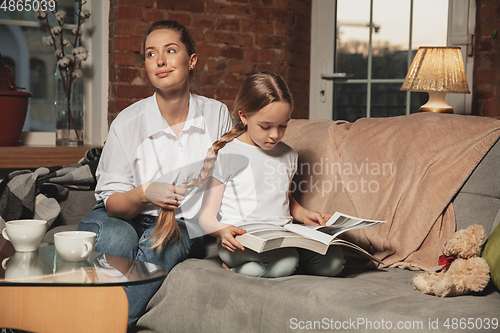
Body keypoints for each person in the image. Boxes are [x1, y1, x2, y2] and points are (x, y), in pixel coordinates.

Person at [77, 20, 232, 326]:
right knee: (117, 237)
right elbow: (112, 203)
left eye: (170, 50)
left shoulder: (216, 115)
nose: (160, 60)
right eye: (150, 54)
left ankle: (92, 325)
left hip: (180, 223)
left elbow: (232, 183)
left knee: (162, 242)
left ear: (192, 60)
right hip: (119, 214)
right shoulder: (127, 122)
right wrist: (145, 192)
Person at [197, 71, 345, 278]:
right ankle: (234, 270)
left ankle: (282, 265)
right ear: (244, 116)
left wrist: (304, 214)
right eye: (266, 126)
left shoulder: (288, 155)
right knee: (284, 262)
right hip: (241, 240)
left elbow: (280, 196)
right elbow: (206, 218)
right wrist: (222, 231)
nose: (275, 134)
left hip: (282, 236)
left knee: (333, 262)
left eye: (283, 125)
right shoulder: (229, 154)